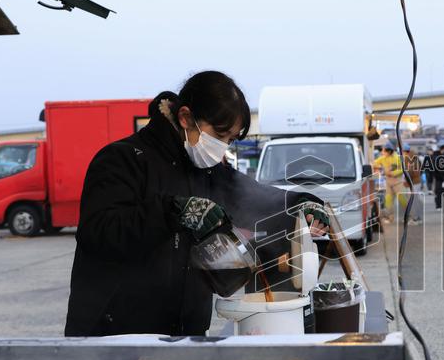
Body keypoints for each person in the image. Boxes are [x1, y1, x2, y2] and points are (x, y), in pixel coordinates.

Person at [64, 71, 328, 337]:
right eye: (220, 134)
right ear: (186, 117)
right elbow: (98, 232)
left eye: (231, 140)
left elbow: (255, 200)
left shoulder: (206, 170)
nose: (222, 147)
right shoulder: (123, 159)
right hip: (117, 335)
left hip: (184, 334)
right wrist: (173, 211)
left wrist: (300, 205)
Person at [374, 141, 407, 222]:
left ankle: (408, 216)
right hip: (388, 182)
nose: (383, 152)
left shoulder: (397, 158)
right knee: (388, 200)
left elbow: (403, 169)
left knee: (403, 200)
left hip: (397, 182)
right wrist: (381, 169)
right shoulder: (383, 158)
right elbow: (374, 164)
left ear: (389, 151)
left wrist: (392, 173)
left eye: (384, 150)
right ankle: (390, 217)